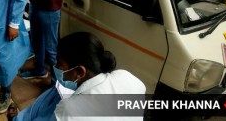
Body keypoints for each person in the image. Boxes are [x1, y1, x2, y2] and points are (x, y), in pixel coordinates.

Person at [9, 32, 146, 121]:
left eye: (60, 64)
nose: (54, 68)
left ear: (80, 72)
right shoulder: (129, 78)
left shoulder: (70, 111)